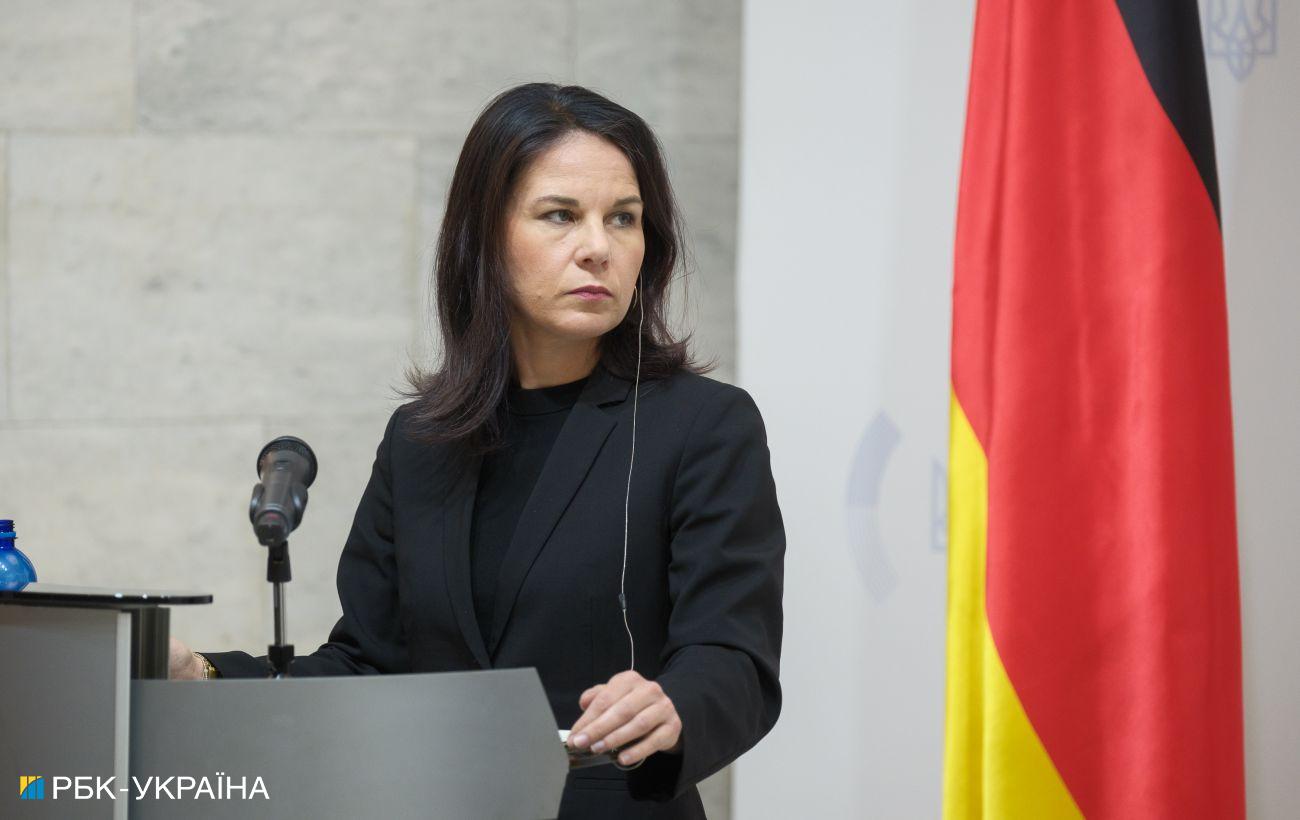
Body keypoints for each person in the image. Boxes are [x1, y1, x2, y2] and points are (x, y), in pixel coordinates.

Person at [168, 82, 785, 819]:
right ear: (484, 237)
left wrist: (674, 705)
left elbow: (735, 657)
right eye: (561, 215)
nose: (598, 247)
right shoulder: (421, 440)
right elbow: (369, 664)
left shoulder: (704, 426)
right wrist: (204, 675)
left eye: (624, 218)